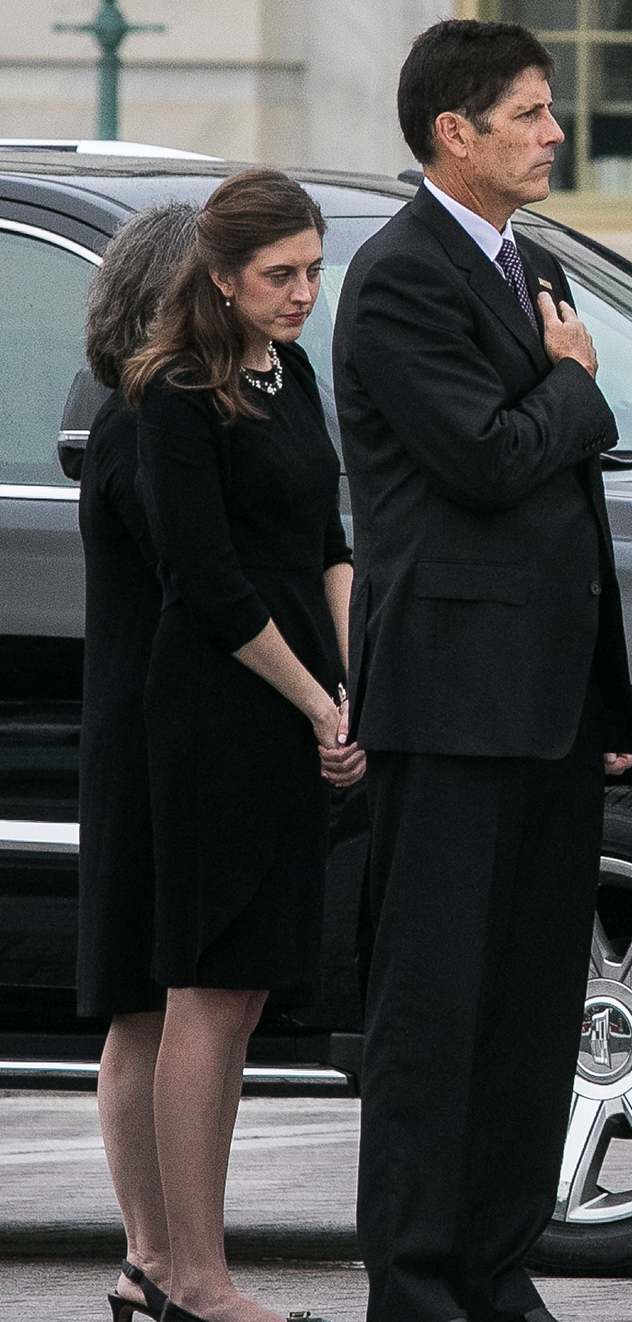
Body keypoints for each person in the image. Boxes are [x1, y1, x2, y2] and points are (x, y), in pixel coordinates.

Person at [335, 21, 632, 1322]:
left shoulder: (526, 265)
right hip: (453, 696)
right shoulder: (404, 276)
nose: (552, 132)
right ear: (452, 131)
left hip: (547, 703)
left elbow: (567, 507)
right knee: (437, 1013)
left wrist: (608, 698)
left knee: (527, 1016)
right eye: (526, 111)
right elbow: (487, 455)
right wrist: (575, 382)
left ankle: (496, 1269)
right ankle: (417, 1284)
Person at [117, 168, 363, 1322]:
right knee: (205, 984)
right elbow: (205, 582)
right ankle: (188, 1273)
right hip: (221, 708)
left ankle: (188, 1271)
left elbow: (327, 539)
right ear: (219, 277)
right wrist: (314, 700)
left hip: (303, 694)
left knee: (249, 988)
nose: (305, 292)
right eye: (282, 275)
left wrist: (351, 683)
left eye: (314, 271)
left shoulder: (292, 369)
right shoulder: (171, 391)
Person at [73, 199, 199, 1322]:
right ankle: (147, 1253)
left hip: (190, 734)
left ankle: (163, 1256)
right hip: (145, 736)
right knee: (140, 1004)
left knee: (181, 999)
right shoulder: (135, 423)